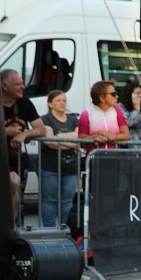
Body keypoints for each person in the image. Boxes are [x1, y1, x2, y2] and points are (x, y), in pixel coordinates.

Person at [1, 69, 47, 227]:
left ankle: (15, 228)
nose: (23, 87)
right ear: (5, 86)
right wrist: (5, 131)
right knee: (11, 184)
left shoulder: (24, 103)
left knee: (17, 191)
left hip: (19, 158)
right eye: (18, 84)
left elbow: (42, 129)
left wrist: (23, 135)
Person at [38, 90, 80, 229]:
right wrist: (70, 138)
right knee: (49, 200)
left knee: (67, 201)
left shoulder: (74, 119)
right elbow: (49, 141)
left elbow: (79, 139)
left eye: (64, 100)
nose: (62, 103)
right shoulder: (45, 119)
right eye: (58, 100)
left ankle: (65, 230)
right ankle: (49, 230)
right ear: (50, 103)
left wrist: (59, 137)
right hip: (50, 167)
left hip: (71, 167)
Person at [78, 80, 130, 154]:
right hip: (94, 159)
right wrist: (97, 135)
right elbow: (81, 142)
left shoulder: (117, 110)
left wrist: (113, 137)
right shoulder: (86, 114)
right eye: (113, 94)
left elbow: (126, 135)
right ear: (102, 98)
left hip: (115, 158)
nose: (117, 97)